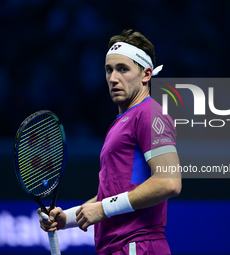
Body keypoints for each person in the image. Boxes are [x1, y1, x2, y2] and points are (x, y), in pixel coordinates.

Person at [38, 29, 181, 255]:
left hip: (137, 245)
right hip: (118, 248)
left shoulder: (150, 113)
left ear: (146, 74)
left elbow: (169, 182)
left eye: (123, 69)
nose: (113, 78)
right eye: (109, 70)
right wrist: (68, 218)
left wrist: (103, 209)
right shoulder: (123, 121)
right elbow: (116, 192)